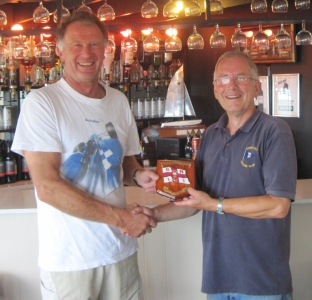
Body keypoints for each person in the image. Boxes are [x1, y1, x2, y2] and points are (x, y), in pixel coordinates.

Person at [11, 11, 159, 300]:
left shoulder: (117, 101)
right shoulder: (42, 103)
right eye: (77, 45)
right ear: (60, 50)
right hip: (71, 261)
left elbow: (126, 162)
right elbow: (48, 187)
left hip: (120, 250)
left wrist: (139, 175)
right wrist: (121, 219)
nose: (86, 53)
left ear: (105, 50)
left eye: (94, 45)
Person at [134, 51, 297, 300]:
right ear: (214, 89)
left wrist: (214, 204)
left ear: (256, 87)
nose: (231, 86)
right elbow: (193, 202)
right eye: (223, 79)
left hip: (261, 284)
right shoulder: (210, 135)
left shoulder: (274, 132)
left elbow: (278, 206)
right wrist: (153, 214)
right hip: (217, 279)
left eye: (241, 77)